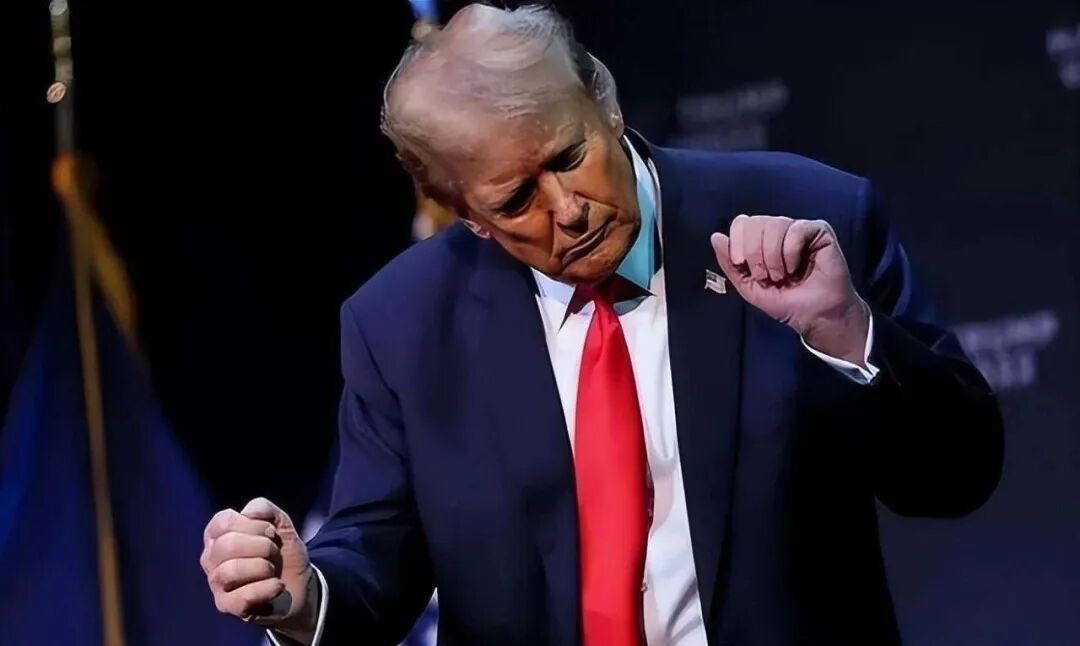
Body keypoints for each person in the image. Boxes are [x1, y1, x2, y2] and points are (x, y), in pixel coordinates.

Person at [198, 4, 1003, 645]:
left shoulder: (809, 214)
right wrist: (305, 598)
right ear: (467, 214)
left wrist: (845, 330)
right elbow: (377, 558)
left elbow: (957, 474)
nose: (569, 209)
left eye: (569, 156)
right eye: (517, 200)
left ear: (606, 105)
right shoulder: (402, 326)